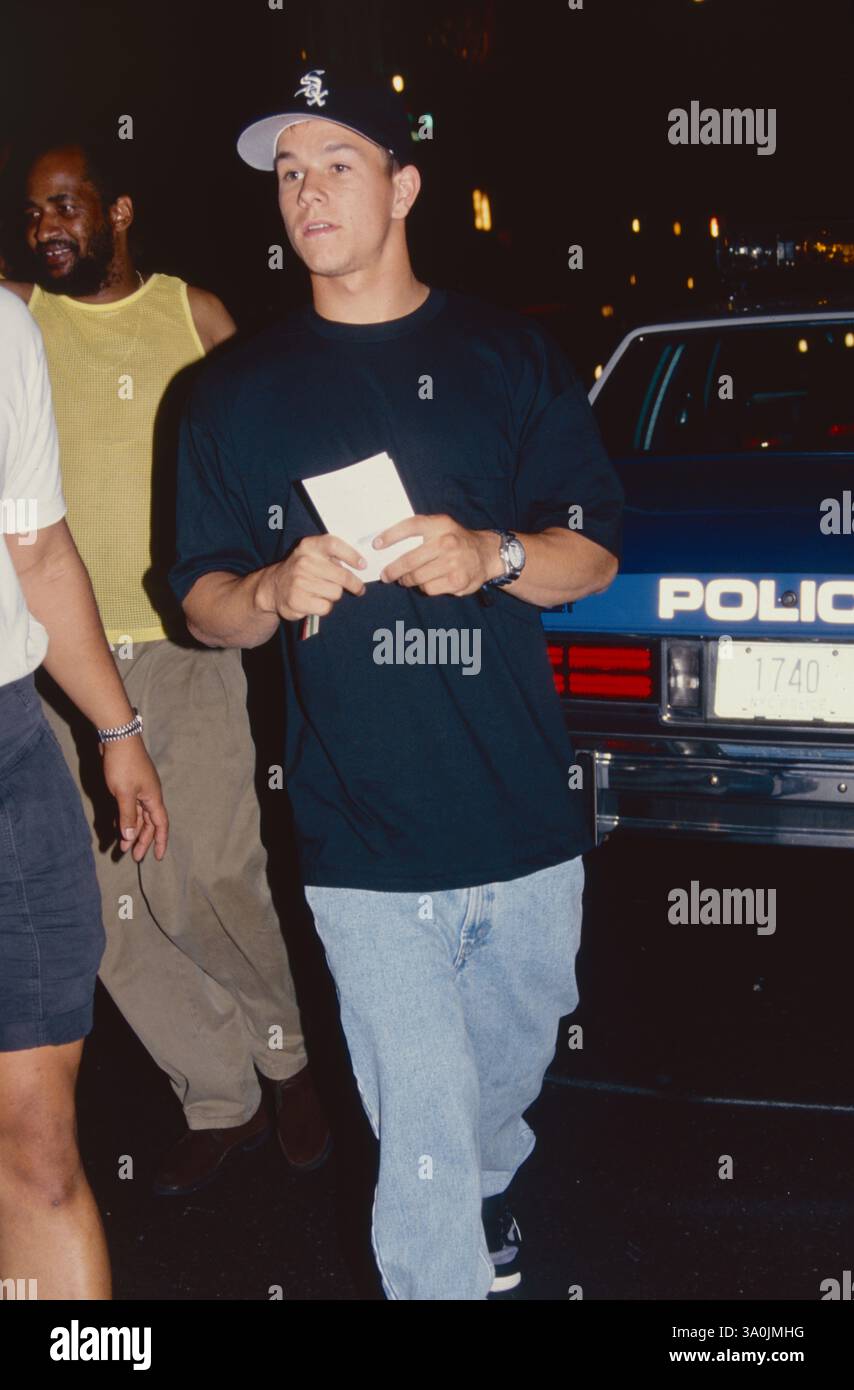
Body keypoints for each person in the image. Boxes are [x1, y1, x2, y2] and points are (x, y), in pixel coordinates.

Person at [171, 69, 624, 1298]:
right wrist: (267, 589)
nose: (306, 192)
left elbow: (591, 549)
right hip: (361, 838)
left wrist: (495, 552)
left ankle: (485, 1185)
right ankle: (448, 1250)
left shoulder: (508, 354)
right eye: (286, 173)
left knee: (495, 1089)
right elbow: (202, 603)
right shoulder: (227, 395)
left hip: (522, 816)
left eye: (336, 163)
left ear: (404, 184)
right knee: (417, 1135)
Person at [2, 137, 329, 1195]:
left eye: (68, 206)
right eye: (34, 212)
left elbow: (277, 450)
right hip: (59, 661)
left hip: (182, 641)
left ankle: (285, 1057)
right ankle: (217, 1091)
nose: (49, 226)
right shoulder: (19, 322)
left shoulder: (195, 317)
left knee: (209, 873)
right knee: (100, 913)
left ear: (120, 210)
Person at [0, 287, 168, 1298]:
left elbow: (37, 544)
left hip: (9, 754)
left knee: (40, 1147)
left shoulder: (2, 330)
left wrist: (118, 729)